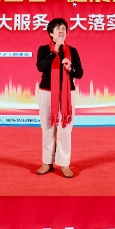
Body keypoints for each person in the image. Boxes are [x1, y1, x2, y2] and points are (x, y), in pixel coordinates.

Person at [35, 18, 83, 179]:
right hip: (47, 93)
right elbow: (41, 66)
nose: (61, 31)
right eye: (57, 29)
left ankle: (64, 163)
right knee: (48, 127)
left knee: (65, 129)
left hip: (67, 94)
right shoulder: (44, 49)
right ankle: (47, 162)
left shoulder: (73, 51)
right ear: (51, 33)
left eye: (63, 28)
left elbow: (80, 73)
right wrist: (54, 51)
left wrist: (71, 68)